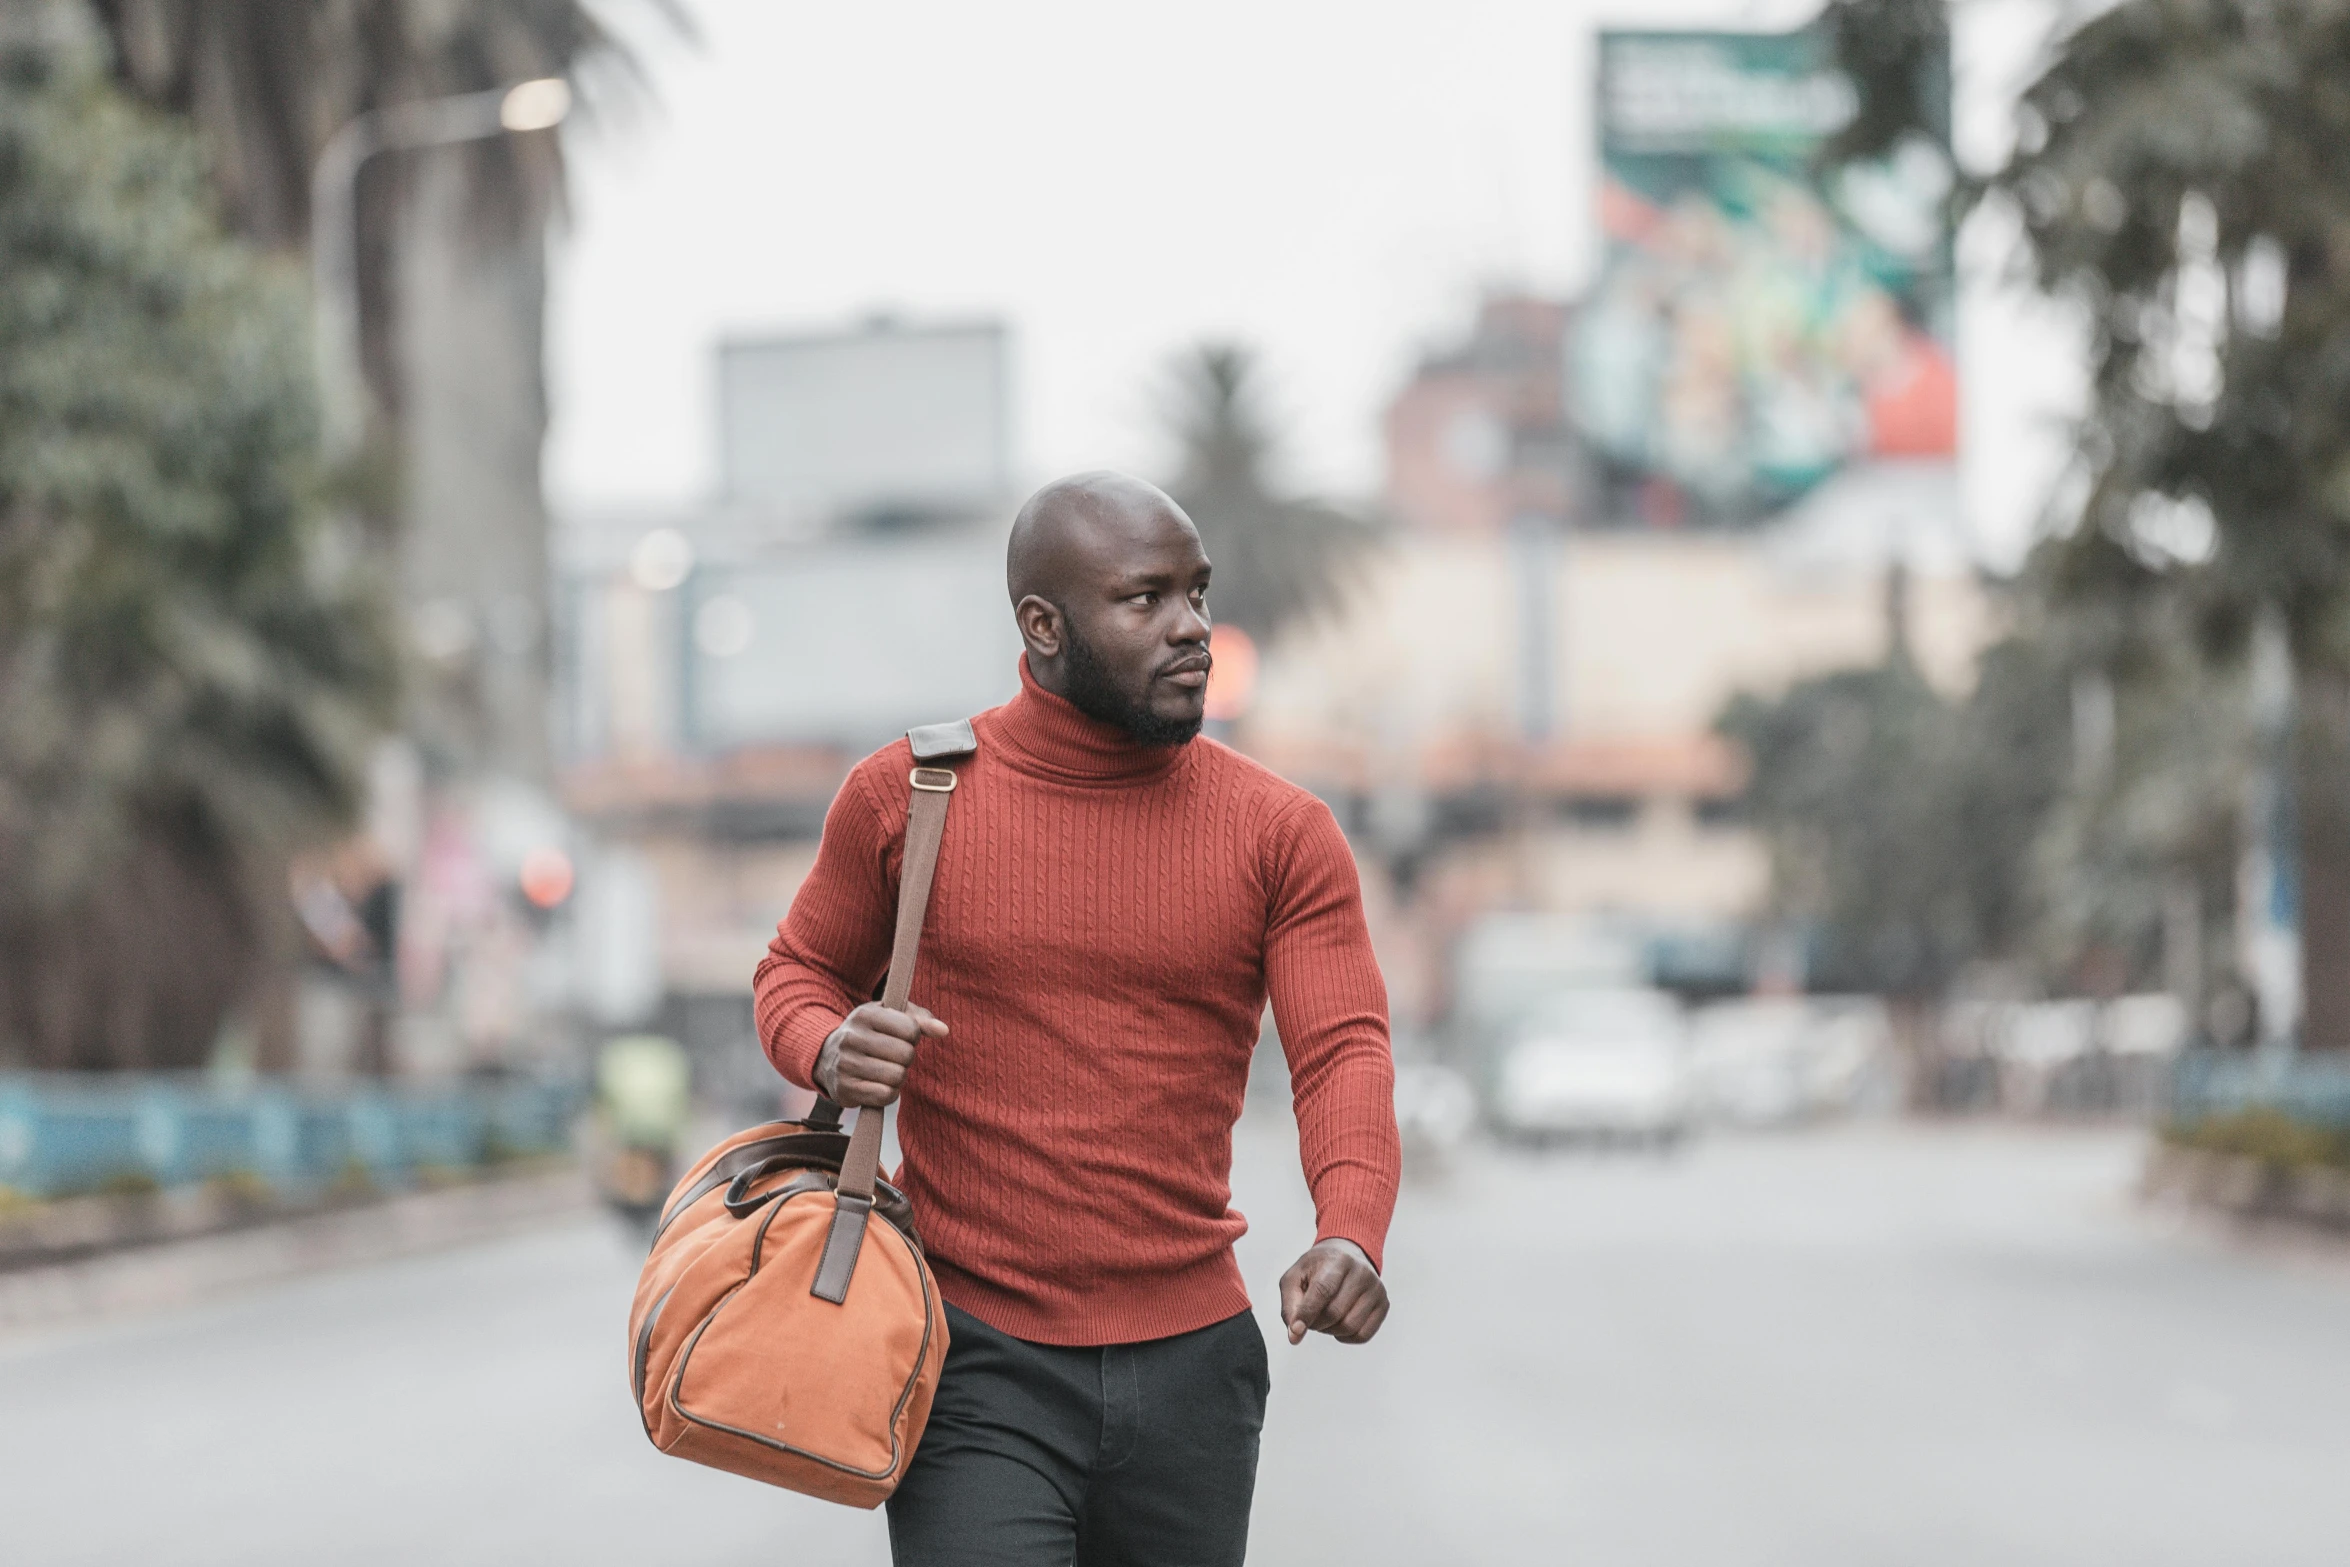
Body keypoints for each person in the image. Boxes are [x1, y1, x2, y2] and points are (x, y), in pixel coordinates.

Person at [754, 471, 1400, 1565]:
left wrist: (1350, 1225)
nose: (1191, 627)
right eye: (1144, 600)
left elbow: (1341, 1045)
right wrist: (827, 1043)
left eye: (1196, 592)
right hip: (969, 1355)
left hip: (1196, 1365)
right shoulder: (909, 796)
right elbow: (796, 972)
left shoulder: (1280, 832)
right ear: (1042, 627)